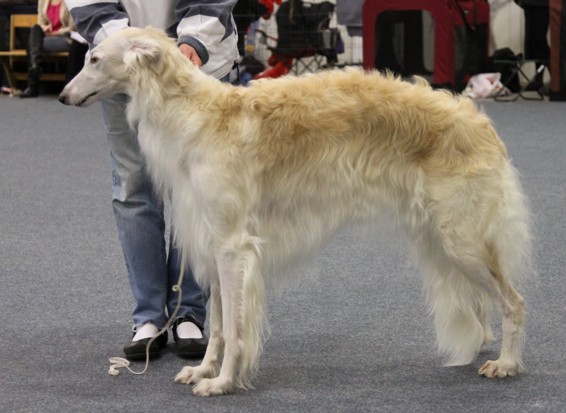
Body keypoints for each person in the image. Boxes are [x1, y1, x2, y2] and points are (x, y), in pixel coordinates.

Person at [63, 0, 239, 360]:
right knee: (132, 188)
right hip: (121, 63)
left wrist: (194, 39)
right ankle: (148, 316)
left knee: (199, 196)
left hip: (198, 63)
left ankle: (189, 311)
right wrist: (128, 48)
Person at [20, 0, 74, 98]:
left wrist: (57, 32)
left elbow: (73, 27)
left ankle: (33, 81)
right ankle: (34, 70)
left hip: (65, 38)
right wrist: (45, 28)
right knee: (35, 28)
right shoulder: (43, 0)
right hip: (46, 37)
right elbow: (40, 22)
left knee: (31, 44)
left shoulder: (70, 1)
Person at [514, 0, 550, 91]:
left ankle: (557, 81)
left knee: (539, 42)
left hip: (542, 4)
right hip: (530, 3)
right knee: (532, 42)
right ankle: (538, 79)